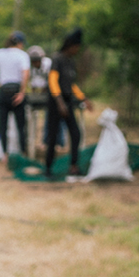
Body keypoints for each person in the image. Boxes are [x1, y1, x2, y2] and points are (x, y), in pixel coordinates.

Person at [45, 27, 93, 178]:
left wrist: (83, 98)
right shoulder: (57, 59)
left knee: (76, 133)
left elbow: (70, 85)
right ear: (70, 46)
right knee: (53, 136)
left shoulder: (71, 62)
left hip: (68, 101)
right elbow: (53, 81)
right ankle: (48, 168)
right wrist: (59, 102)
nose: (77, 50)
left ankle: (73, 166)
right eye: (76, 47)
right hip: (56, 102)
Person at [0, 31, 31, 158]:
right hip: (16, 90)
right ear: (20, 43)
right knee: (21, 126)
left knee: (3, 125)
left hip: (3, 91)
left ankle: (5, 155)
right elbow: (25, 74)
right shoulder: (22, 55)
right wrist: (22, 92)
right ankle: (23, 153)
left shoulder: (0, 53)